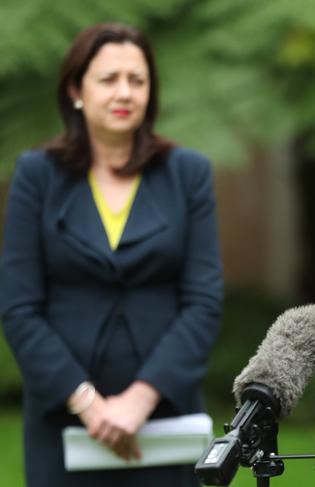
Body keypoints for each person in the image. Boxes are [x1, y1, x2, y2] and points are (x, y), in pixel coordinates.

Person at [0, 22, 223, 487]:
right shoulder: (36, 175)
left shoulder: (188, 173)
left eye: (137, 80)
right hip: (64, 418)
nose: (124, 92)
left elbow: (202, 301)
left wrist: (139, 400)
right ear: (75, 89)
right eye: (108, 79)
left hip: (164, 416)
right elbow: (19, 307)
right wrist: (88, 404)